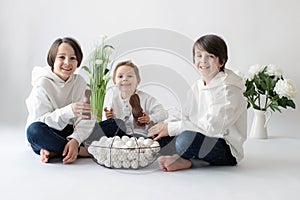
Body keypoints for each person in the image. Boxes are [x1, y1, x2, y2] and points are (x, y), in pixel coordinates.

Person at [148, 34, 247, 172]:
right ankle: (183, 159)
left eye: (210, 56)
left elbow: (212, 127)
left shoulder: (229, 89)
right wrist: (165, 126)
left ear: (221, 61)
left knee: (185, 140)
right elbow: (185, 115)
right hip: (198, 135)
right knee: (157, 136)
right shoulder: (198, 85)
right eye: (199, 55)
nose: (203, 61)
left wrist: (171, 128)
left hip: (225, 148)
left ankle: (185, 159)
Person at [25, 37, 95, 164]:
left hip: (71, 132)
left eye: (72, 58)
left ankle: (56, 150)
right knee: (34, 131)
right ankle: (81, 151)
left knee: (114, 124)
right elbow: (42, 121)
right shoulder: (42, 84)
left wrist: (75, 139)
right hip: (48, 132)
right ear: (53, 59)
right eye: (61, 57)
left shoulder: (79, 82)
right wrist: (69, 110)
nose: (67, 63)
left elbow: (87, 118)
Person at [102, 60, 168, 138]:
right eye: (120, 76)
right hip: (119, 134)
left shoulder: (147, 99)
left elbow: (163, 114)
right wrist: (110, 117)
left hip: (140, 135)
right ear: (114, 82)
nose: (124, 79)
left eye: (129, 76)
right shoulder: (114, 99)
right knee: (113, 124)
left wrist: (150, 118)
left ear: (138, 81)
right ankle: (91, 134)